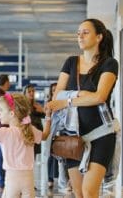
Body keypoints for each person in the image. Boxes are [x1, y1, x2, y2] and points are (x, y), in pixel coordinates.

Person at [46, 18, 118, 198]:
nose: (80, 37)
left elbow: (100, 97)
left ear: (99, 37)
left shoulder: (109, 64)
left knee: (89, 191)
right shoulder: (71, 62)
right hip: (72, 137)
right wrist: (81, 95)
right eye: (78, 33)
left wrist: (68, 100)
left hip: (101, 134)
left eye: (85, 32)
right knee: (78, 193)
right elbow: (57, 97)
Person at [23, 84, 45, 159]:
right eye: (29, 91)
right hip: (27, 134)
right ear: (25, 94)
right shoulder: (23, 106)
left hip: (36, 134)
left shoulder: (36, 106)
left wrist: (42, 110)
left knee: (33, 158)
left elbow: (46, 116)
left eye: (33, 91)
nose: (32, 93)